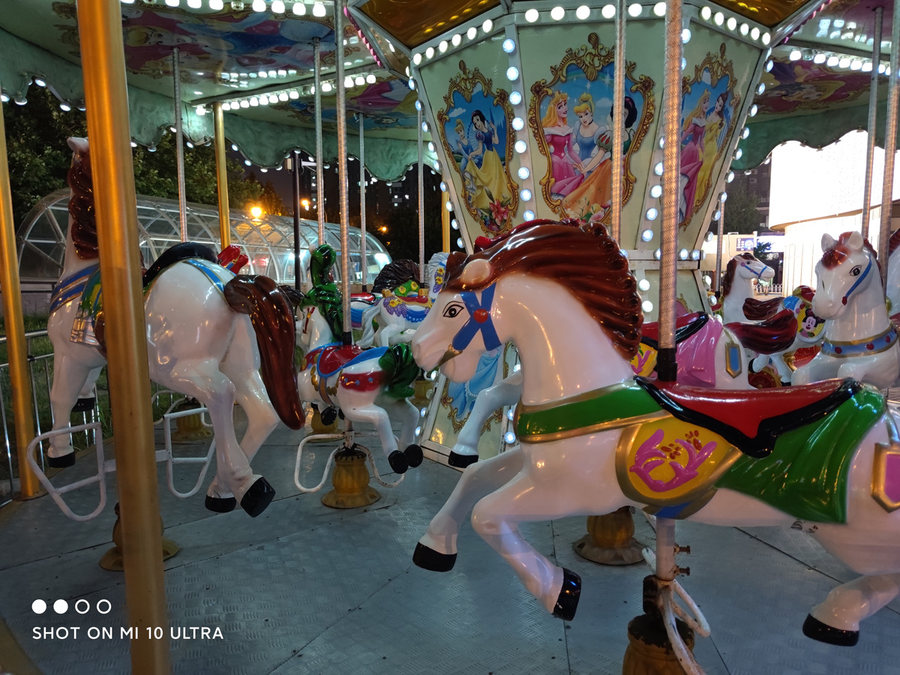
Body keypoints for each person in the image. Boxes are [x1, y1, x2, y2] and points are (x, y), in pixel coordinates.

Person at [561, 95, 638, 220]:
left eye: (624, 114)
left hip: (625, 173)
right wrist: (585, 169)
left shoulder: (631, 135)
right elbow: (598, 156)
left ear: (629, 116)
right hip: (608, 171)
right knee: (596, 196)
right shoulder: (610, 135)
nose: (620, 117)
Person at [458, 109, 511, 214]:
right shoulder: (479, 135)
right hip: (488, 157)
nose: (477, 124)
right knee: (490, 178)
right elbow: (479, 150)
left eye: (477, 120)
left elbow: (496, 141)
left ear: (482, 119)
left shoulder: (489, 131)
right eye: (475, 123)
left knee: (498, 177)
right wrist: (472, 154)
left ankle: (500, 198)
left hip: (494, 155)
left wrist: (495, 129)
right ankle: (491, 202)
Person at [541, 91, 583, 198]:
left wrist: (581, 164)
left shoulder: (568, 129)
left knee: (573, 189)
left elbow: (571, 151)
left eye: (565, 104)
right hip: (555, 162)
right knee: (558, 192)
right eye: (560, 106)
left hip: (565, 161)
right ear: (553, 110)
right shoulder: (549, 130)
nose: (565, 108)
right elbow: (544, 150)